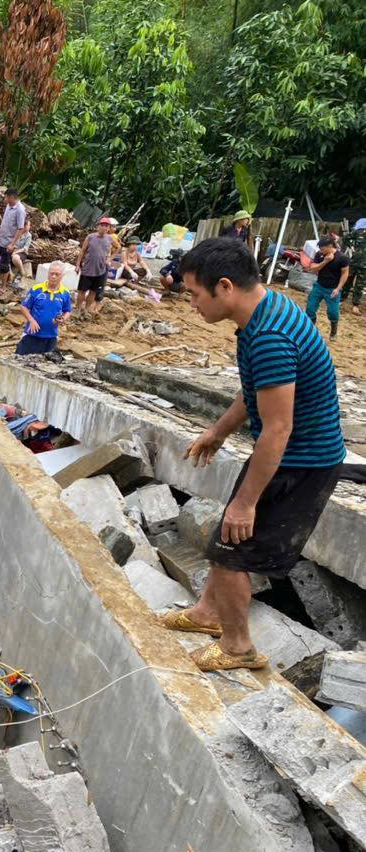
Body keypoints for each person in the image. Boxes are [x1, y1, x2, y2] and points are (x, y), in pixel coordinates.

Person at [164, 238, 344, 672]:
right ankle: (208, 615)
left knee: (231, 551)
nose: (191, 304)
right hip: (290, 454)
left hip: (301, 462)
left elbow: (278, 429)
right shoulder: (263, 312)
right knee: (227, 538)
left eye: (193, 293)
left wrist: (245, 503)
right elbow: (255, 392)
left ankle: (238, 648)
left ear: (224, 286)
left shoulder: (270, 336)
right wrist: (217, 432)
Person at [16, 262, 72, 355]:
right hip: (32, 334)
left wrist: (63, 319)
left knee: (45, 365)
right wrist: (32, 321)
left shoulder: (65, 293)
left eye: (57, 274)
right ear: (48, 274)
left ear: (62, 276)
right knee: (20, 361)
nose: (53, 276)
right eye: (51, 273)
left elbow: (68, 311)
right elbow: (24, 306)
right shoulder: (36, 289)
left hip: (51, 336)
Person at [305, 235, 351, 338]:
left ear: (330, 246)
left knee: (333, 312)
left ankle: (334, 330)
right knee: (310, 309)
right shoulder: (319, 255)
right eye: (320, 249)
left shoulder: (343, 258)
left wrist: (338, 288)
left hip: (333, 289)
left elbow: (345, 274)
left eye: (323, 249)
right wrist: (325, 261)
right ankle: (310, 331)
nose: (321, 251)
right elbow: (313, 269)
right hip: (319, 286)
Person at [76, 216, 116, 318]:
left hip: (101, 270)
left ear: (108, 228)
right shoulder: (90, 237)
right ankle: (78, 309)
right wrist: (77, 265)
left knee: (93, 292)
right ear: (98, 226)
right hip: (88, 269)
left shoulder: (110, 238)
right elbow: (82, 251)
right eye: (102, 225)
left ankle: (86, 309)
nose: (103, 228)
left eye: (106, 226)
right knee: (82, 291)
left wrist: (110, 258)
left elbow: (119, 247)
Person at [347, 218, 366, 316]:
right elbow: (346, 238)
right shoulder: (358, 232)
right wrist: (351, 246)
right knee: (348, 280)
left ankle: (355, 305)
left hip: (365, 266)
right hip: (354, 262)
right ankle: (340, 300)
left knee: (360, 285)